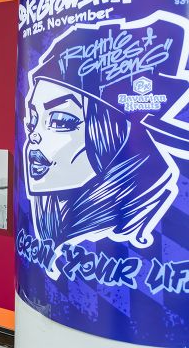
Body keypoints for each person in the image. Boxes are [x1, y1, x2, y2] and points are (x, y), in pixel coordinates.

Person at [23, 14, 189, 250]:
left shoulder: (141, 213)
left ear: (111, 134)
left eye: (60, 120)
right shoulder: (55, 221)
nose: (33, 136)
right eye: (32, 121)